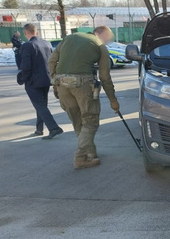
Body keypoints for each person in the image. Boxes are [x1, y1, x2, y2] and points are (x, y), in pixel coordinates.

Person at [49, 26, 120, 169]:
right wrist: (113, 100)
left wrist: (55, 80)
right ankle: (81, 157)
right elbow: (105, 77)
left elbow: (51, 61)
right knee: (90, 121)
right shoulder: (100, 46)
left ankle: (90, 153)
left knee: (77, 120)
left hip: (61, 84)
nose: (108, 42)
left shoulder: (69, 38)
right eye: (108, 38)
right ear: (101, 34)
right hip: (83, 85)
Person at [18, 23, 63, 139]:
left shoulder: (28, 45)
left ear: (25, 33)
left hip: (33, 81)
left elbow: (26, 66)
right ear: (36, 32)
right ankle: (39, 129)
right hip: (46, 80)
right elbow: (52, 61)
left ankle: (54, 128)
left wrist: (22, 78)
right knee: (42, 105)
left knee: (40, 106)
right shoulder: (46, 43)